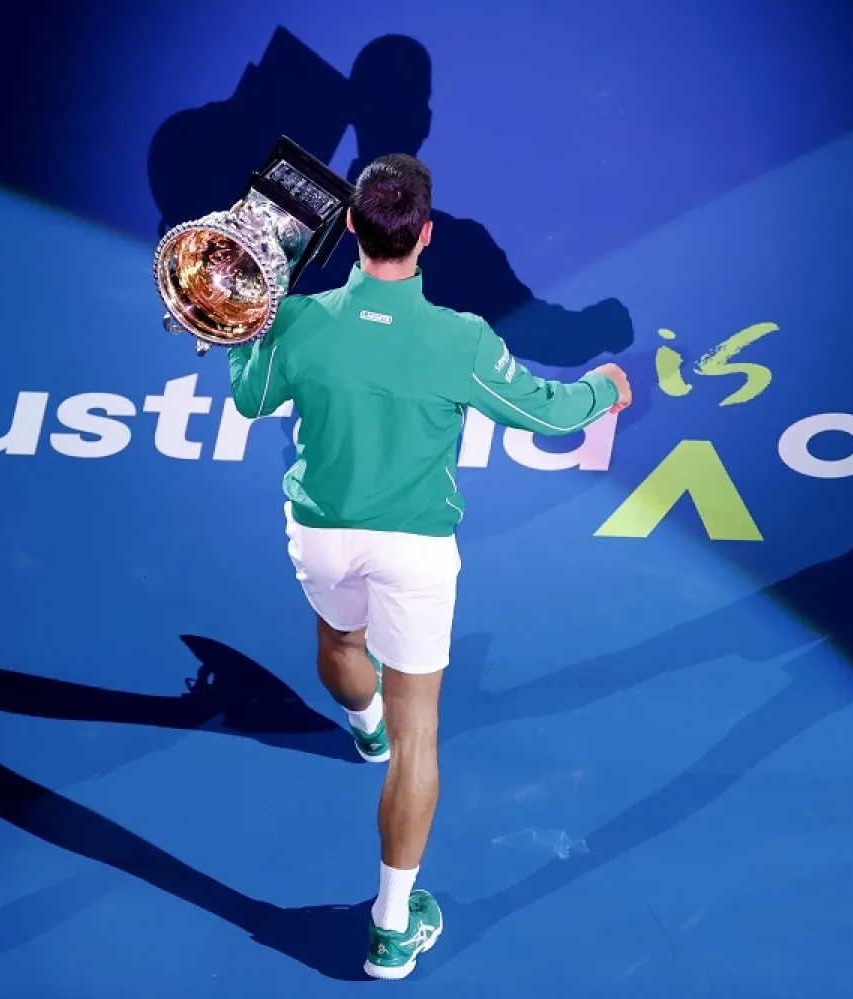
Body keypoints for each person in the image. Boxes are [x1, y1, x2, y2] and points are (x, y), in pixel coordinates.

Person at [226, 152, 632, 979]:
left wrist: (245, 317)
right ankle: (389, 926)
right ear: (426, 236)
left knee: (340, 643)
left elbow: (248, 396)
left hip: (323, 536)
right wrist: (605, 392)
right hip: (412, 552)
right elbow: (543, 413)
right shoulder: (461, 340)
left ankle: (361, 722)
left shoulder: (299, 322)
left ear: (347, 227)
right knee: (423, 740)